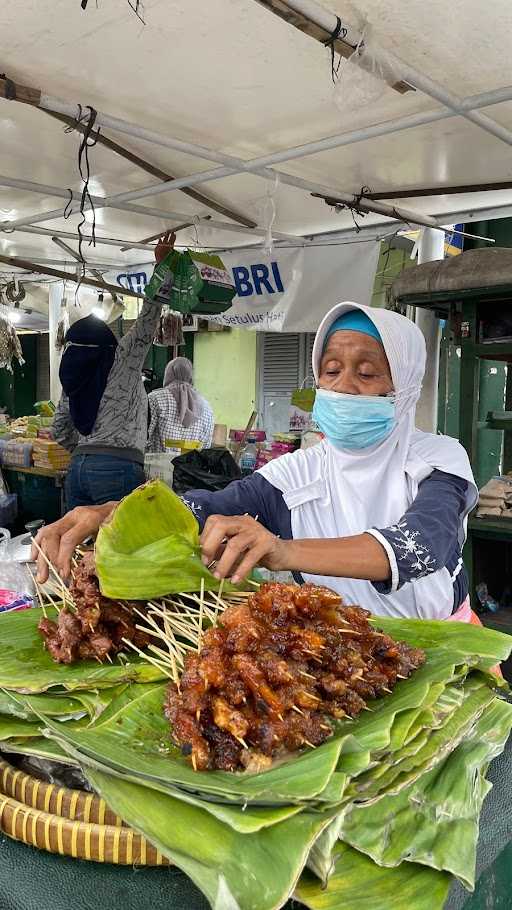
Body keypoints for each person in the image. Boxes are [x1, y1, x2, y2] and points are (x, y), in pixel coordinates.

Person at [34, 302, 478, 625]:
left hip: (435, 645)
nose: (343, 387)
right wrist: (108, 514)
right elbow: (203, 507)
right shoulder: (298, 470)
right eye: (330, 370)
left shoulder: (436, 458)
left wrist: (284, 551)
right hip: (338, 642)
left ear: (404, 385)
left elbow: (421, 545)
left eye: (366, 373)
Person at [53, 232, 176, 510]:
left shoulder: (73, 380)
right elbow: (148, 318)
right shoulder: (121, 359)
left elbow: (59, 429)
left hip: (78, 471)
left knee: (82, 547)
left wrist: (86, 451)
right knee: (119, 548)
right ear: (108, 342)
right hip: (117, 468)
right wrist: (163, 266)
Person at [147, 357, 214, 453]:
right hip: (191, 467)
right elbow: (206, 447)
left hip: (158, 466)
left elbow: (145, 436)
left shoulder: (155, 398)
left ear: (168, 374)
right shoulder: (206, 407)